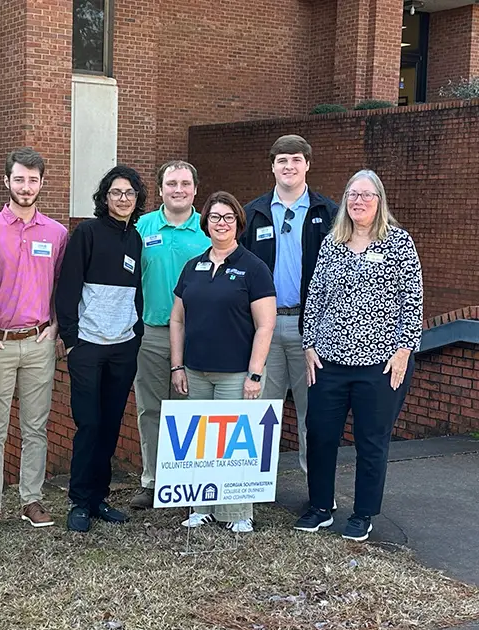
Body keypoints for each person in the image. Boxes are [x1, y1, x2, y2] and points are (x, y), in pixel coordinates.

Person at [294, 169, 423, 542]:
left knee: (371, 440)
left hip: (380, 365)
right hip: (329, 362)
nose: (359, 201)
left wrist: (403, 352)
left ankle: (363, 513)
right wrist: (309, 345)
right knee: (320, 434)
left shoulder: (398, 243)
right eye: (353, 194)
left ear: (379, 201)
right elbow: (315, 296)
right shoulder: (332, 244)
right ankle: (320, 506)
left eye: (367, 195)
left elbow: (411, 303)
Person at [0, 148, 69, 531]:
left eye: (33, 180)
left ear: (42, 183)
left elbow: (63, 284)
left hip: (40, 340)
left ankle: (32, 499)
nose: (26, 187)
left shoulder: (57, 233)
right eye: (19, 179)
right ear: (6, 181)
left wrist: (57, 326)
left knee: (36, 427)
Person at [169, 192, 276, 533]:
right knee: (202, 442)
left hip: (236, 374)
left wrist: (255, 373)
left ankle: (238, 512)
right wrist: (177, 365)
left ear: (239, 223)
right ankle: (201, 507)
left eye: (228, 217)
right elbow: (177, 320)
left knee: (233, 444)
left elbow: (265, 324)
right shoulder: (193, 266)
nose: (221, 223)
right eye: (215, 217)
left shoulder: (253, 268)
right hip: (196, 371)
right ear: (206, 223)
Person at [239, 135, 338, 474]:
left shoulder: (329, 214)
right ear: (272, 167)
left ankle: (317, 489)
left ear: (307, 164)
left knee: (315, 412)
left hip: (311, 329)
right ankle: (253, 486)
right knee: (261, 410)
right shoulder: (252, 214)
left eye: (296, 159)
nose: (289, 166)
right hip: (264, 329)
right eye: (282, 160)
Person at [56, 165, 146, 533]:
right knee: (88, 423)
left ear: (136, 200)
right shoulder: (87, 233)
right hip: (89, 347)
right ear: (104, 197)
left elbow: (137, 291)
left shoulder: (137, 240)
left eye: (129, 193)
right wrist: (72, 339)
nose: (123, 199)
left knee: (110, 425)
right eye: (116, 192)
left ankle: (99, 498)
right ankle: (79, 500)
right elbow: (68, 286)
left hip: (123, 346)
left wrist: (136, 333)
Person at [129, 160, 211, 510]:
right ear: (160, 189)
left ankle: (184, 482)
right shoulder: (141, 227)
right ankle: (152, 480)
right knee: (151, 409)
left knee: (189, 411)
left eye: (185, 183)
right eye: (171, 183)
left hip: (197, 336)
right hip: (151, 333)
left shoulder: (209, 230)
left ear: (195, 189)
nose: (178, 189)